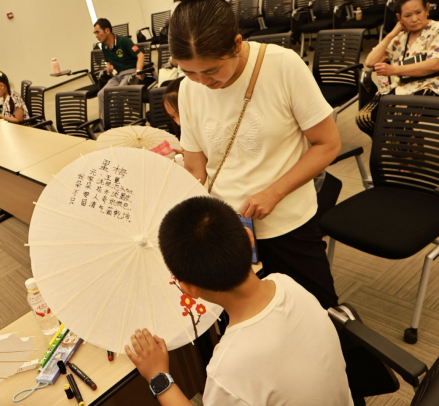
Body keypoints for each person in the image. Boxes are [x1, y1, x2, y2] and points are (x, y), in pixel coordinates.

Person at [170, 0, 341, 309]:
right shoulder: (187, 89)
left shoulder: (282, 66)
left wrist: (274, 193)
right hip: (229, 231)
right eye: (189, 72)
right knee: (251, 319)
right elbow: (196, 168)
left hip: (286, 221)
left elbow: (327, 144)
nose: (203, 83)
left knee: (318, 309)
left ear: (237, 44)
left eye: (211, 70)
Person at [125, 196, 353, 405]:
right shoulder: (287, 283)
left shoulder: (227, 369)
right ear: (249, 237)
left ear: (188, 289)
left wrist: (158, 377)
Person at [356, 0, 439, 137]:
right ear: (399, 18)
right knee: (365, 118)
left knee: (399, 125)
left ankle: (402, 146)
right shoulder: (400, 37)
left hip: (427, 87)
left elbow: (435, 64)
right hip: (398, 88)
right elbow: (370, 62)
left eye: (418, 12)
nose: (414, 19)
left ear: (427, 9)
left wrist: (394, 70)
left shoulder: (436, 29)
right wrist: (392, 34)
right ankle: (408, 144)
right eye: (407, 15)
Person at [93, 18, 145, 124]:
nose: (96, 35)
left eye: (98, 32)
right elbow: (108, 61)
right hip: (118, 75)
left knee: (117, 93)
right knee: (101, 94)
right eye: (95, 33)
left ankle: (118, 123)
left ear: (107, 30)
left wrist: (138, 72)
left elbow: (140, 55)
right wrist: (108, 67)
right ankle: (107, 123)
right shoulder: (104, 46)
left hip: (131, 72)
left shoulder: (123, 41)